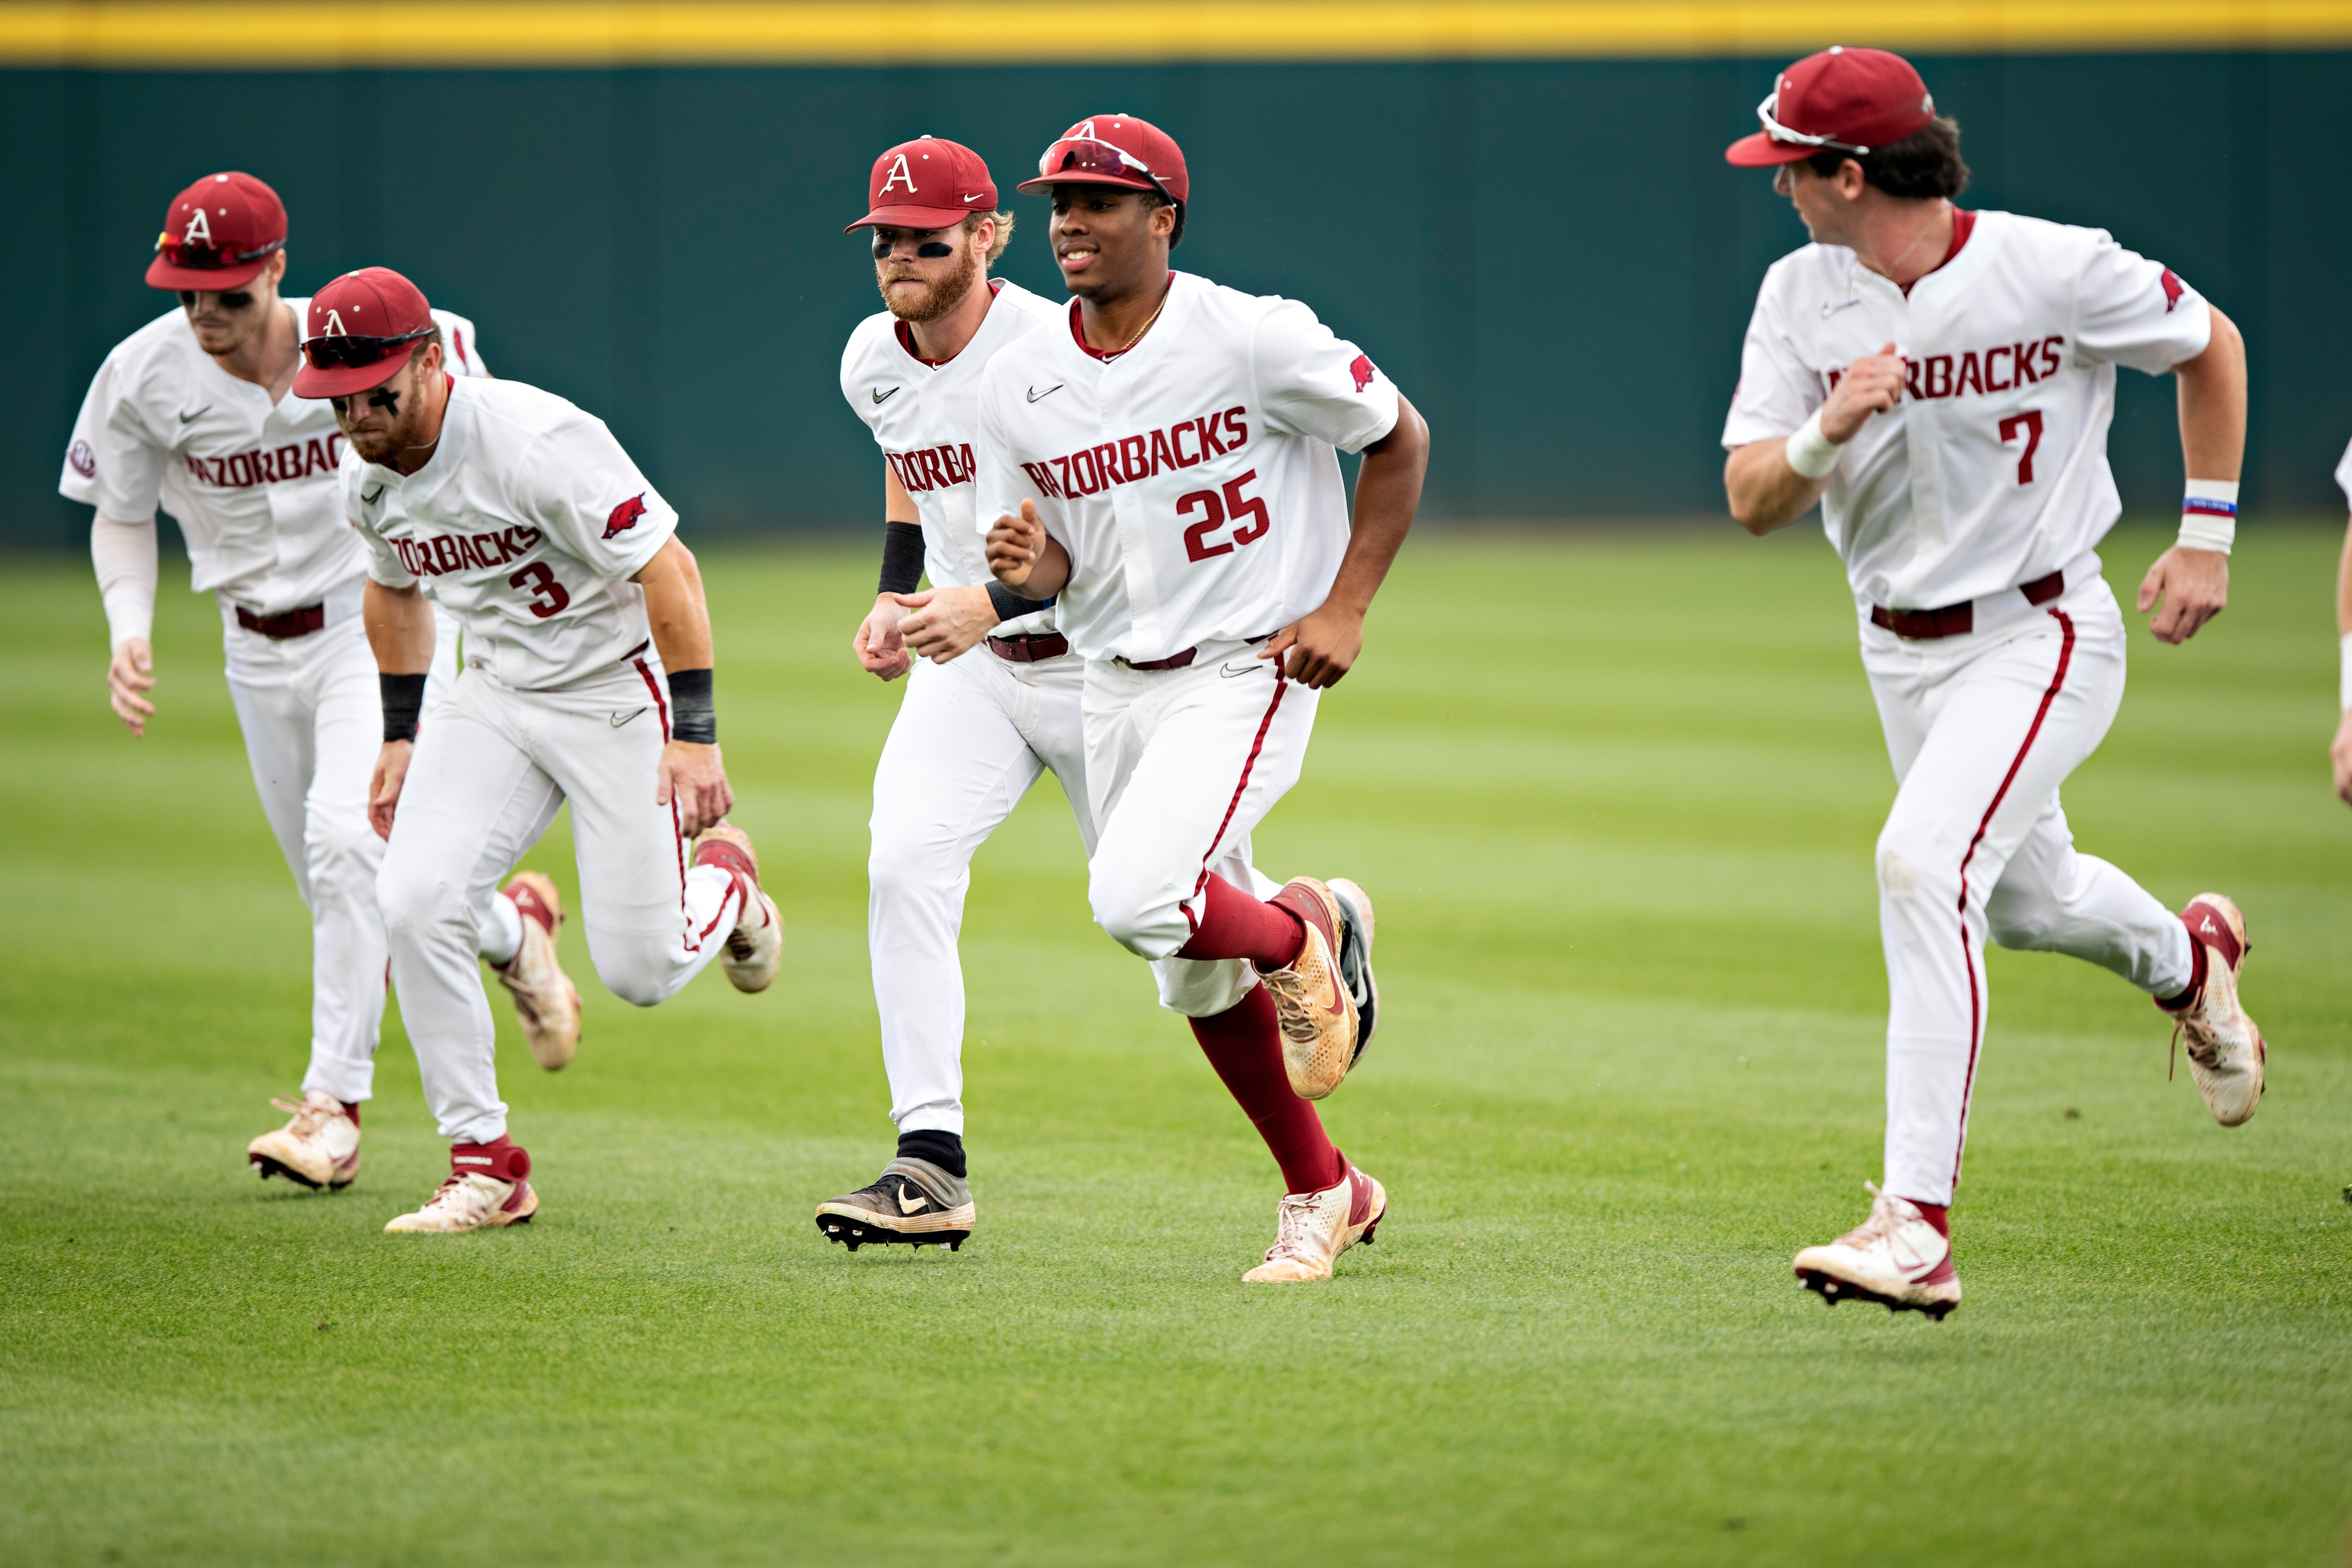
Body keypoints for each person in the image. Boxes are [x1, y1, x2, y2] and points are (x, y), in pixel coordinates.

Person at [1718, 47, 2265, 1319]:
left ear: (1851, 175)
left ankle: (1916, 1224)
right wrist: (1825, 428)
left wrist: (2210, 532)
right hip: (1899, 646)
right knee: (2027, 901)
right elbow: (1754, 498)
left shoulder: (2050, 264)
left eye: (1794, 169)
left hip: (2043, 628)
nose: (1781, 190)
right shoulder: (1800, 298)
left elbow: (2210, 342)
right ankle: (2191, 959)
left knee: (1921, 863)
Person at [980, 115, 1430, 1282]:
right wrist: (1030, 575)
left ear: (1164, 218)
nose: (1069, 221)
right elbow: (1061, 566)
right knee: (1187, 969)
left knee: (1136, 897)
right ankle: (1325, 1189)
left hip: (1246, 665)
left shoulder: (1249, 337)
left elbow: (1399, 437)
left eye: (1099, 201)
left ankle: (1301, 929)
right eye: (1057, 202)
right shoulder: (1023, 377)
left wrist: (1346, 607)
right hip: (1112, 679)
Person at [303, 265, 784, 1234]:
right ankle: (486, 1161)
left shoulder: (534, 440)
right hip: (499, 694)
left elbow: (669, 567)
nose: (356, 414)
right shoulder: (369, 477)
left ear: (430, 362)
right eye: (337, 396)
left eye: (376, 390)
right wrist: (401, 733)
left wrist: (695, 738)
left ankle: (727, 884)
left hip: (615, 689)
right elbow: (393, 589)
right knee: (411, 894)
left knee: (641, 973)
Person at [60, 171, 486, 1194]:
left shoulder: (352, 349)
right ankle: (514, 926)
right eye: (187, 291)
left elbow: (457, 413)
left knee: (345, 842)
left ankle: (332, 1108)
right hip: (250, 645)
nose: (205, 313)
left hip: (363, 623)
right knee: (341, 881)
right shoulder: (141, 376)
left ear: (277, 271)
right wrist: (129, 625)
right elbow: (119, 510)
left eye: (228, 292)